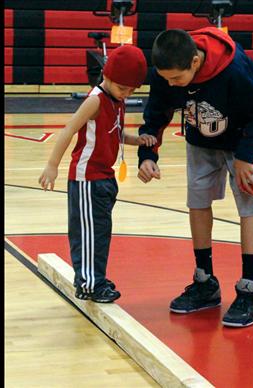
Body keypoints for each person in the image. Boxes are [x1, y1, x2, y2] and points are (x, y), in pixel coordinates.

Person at [137, 28, 253, 327]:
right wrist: (147, 155)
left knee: (249, 208)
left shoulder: (235, 69)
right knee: (197, 203)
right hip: (200, 141)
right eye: (165, 78)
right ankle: (205, 282)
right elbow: (156, 113)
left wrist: (245, 155)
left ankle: (249, 289)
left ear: (195, 61)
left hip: (243, 142)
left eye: (176, 79)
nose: (170, 84)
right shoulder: (167, 71)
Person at [38, 45, 156, 303]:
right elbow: (68, 129)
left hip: (104, 177)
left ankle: (94, 278)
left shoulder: (116, 100)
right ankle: (90, 284)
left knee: (100, 232)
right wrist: (52, 165)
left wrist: (138, 140)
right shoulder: (96, 99)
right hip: (87, 178)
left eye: (132, 91)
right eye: (123, 89)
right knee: (89, 232)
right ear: (108, 76)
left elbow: (114, 134)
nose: (127, 94)